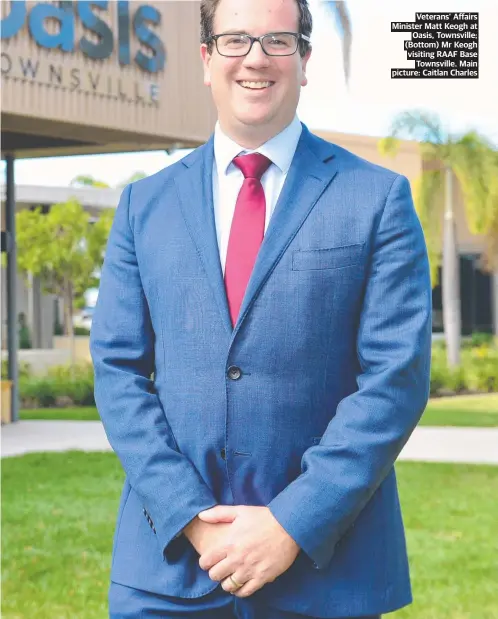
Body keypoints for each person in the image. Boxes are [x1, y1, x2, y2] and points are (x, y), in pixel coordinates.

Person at [89, 0, 432, 617]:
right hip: (169, 569)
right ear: (205, 58)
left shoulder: (378, 199)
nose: (255, 58)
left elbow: (395, 378)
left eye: (278, 40)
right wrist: (190, 515)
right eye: (235, 40)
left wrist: (291, 524)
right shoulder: (144, 206)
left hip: (329, 570)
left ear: (304, 59)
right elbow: (117, 371)